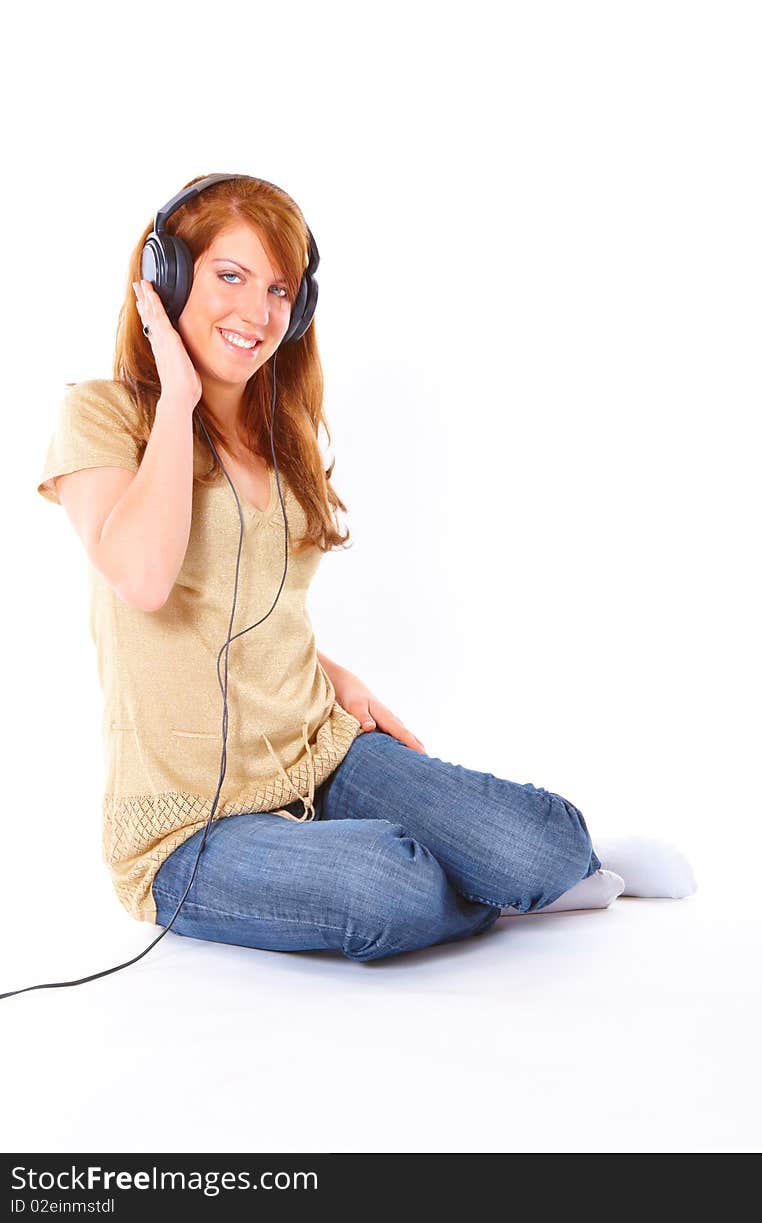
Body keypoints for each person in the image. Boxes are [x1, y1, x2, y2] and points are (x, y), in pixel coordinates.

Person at [36, 173, 693, 966]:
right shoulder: (106, 416)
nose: (256, 312)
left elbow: (244, 608)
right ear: (164, 276)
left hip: (317, 751)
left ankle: (540, 877)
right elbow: (142, 577)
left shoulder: (280, 436)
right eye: (229, 276)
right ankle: (493, 892)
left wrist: (331, 671)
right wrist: (176, 398)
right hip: (188, 832)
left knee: (542, 843)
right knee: (388, 886)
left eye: (278, 288)